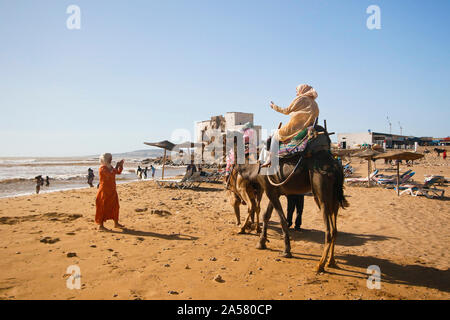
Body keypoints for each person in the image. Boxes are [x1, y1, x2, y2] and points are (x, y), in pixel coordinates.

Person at [262, 84, 319, 167]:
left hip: (296, 127)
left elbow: (287, 111)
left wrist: (274, 106)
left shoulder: (301, 98)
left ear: (302, 90)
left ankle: (270, 158)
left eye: (297, 91)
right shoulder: (314, 103)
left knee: (275, 135)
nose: (296, 93)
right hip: (310, 127)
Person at [95, 153, 125, 231]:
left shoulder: (110, 167)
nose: (111, 160)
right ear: (105, 159)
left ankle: (116, 223)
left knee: (115, 206)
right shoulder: (102, 168)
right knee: (102, 207)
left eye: (111, 158)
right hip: (104, 191)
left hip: (112, 190)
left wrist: (120, 165)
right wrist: (116, 166)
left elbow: (118, 172)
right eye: (109, 158)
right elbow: (110, 174)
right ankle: (100, 226)